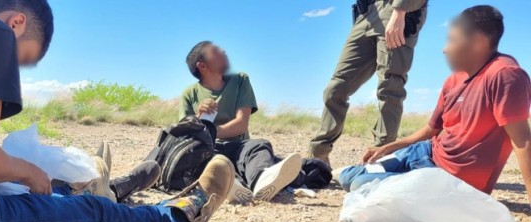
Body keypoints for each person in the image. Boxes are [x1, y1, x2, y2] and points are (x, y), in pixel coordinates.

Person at [0, 0, 234, 222]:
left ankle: (106, 187)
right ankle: (181, 214)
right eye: (20, 59)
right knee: (92, 213)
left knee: (49, 191)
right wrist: (27, 170)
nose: (12, 70)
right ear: (16, 23)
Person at [338, 5, 531, 203]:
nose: (445, 49)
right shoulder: (454, 79)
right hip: (423, 152)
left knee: (359, 184)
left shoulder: (505, 75)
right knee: (347, 177)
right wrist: (391, 146)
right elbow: (432, 128)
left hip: (446, 178)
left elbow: (523, 141)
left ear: (477, 43)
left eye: (452, 40)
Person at [179, 41, 303, 204]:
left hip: (240, 145)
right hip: (210, 147)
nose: (223, 51)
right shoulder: (189, 94)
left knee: (259, 145)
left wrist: (212, 131)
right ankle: (233, 185)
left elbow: (241, 124)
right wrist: (198, 115)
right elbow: (187, 135)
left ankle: (261, 181)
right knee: (209, 159)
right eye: (215, 51)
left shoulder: (240, 80)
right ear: (202, 65)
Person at [309, 0, 428, 165]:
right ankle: (318, 156)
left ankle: (380, 156)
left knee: (390, 87)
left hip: (394, 9)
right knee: (336, 88)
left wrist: (400, 11)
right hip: (366, 13)